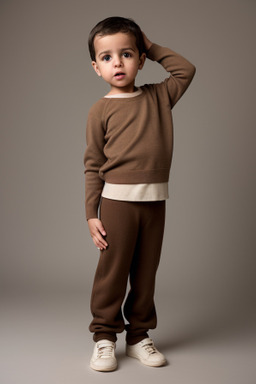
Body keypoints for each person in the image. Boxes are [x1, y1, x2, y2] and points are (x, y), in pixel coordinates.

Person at [83, 16, 196, 372]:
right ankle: (104, 337)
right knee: (113, 272)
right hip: (116, 204)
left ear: (141, 57)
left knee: (146, 273)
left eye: (127, 53)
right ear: (96, 67)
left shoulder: (159, 96)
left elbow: (186, 70)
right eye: (107, 57)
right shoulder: (100, 109)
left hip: (154, 202)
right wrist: (91, 212)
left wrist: (150, 44)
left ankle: (138, 336)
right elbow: (92, 164)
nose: (117, 62)